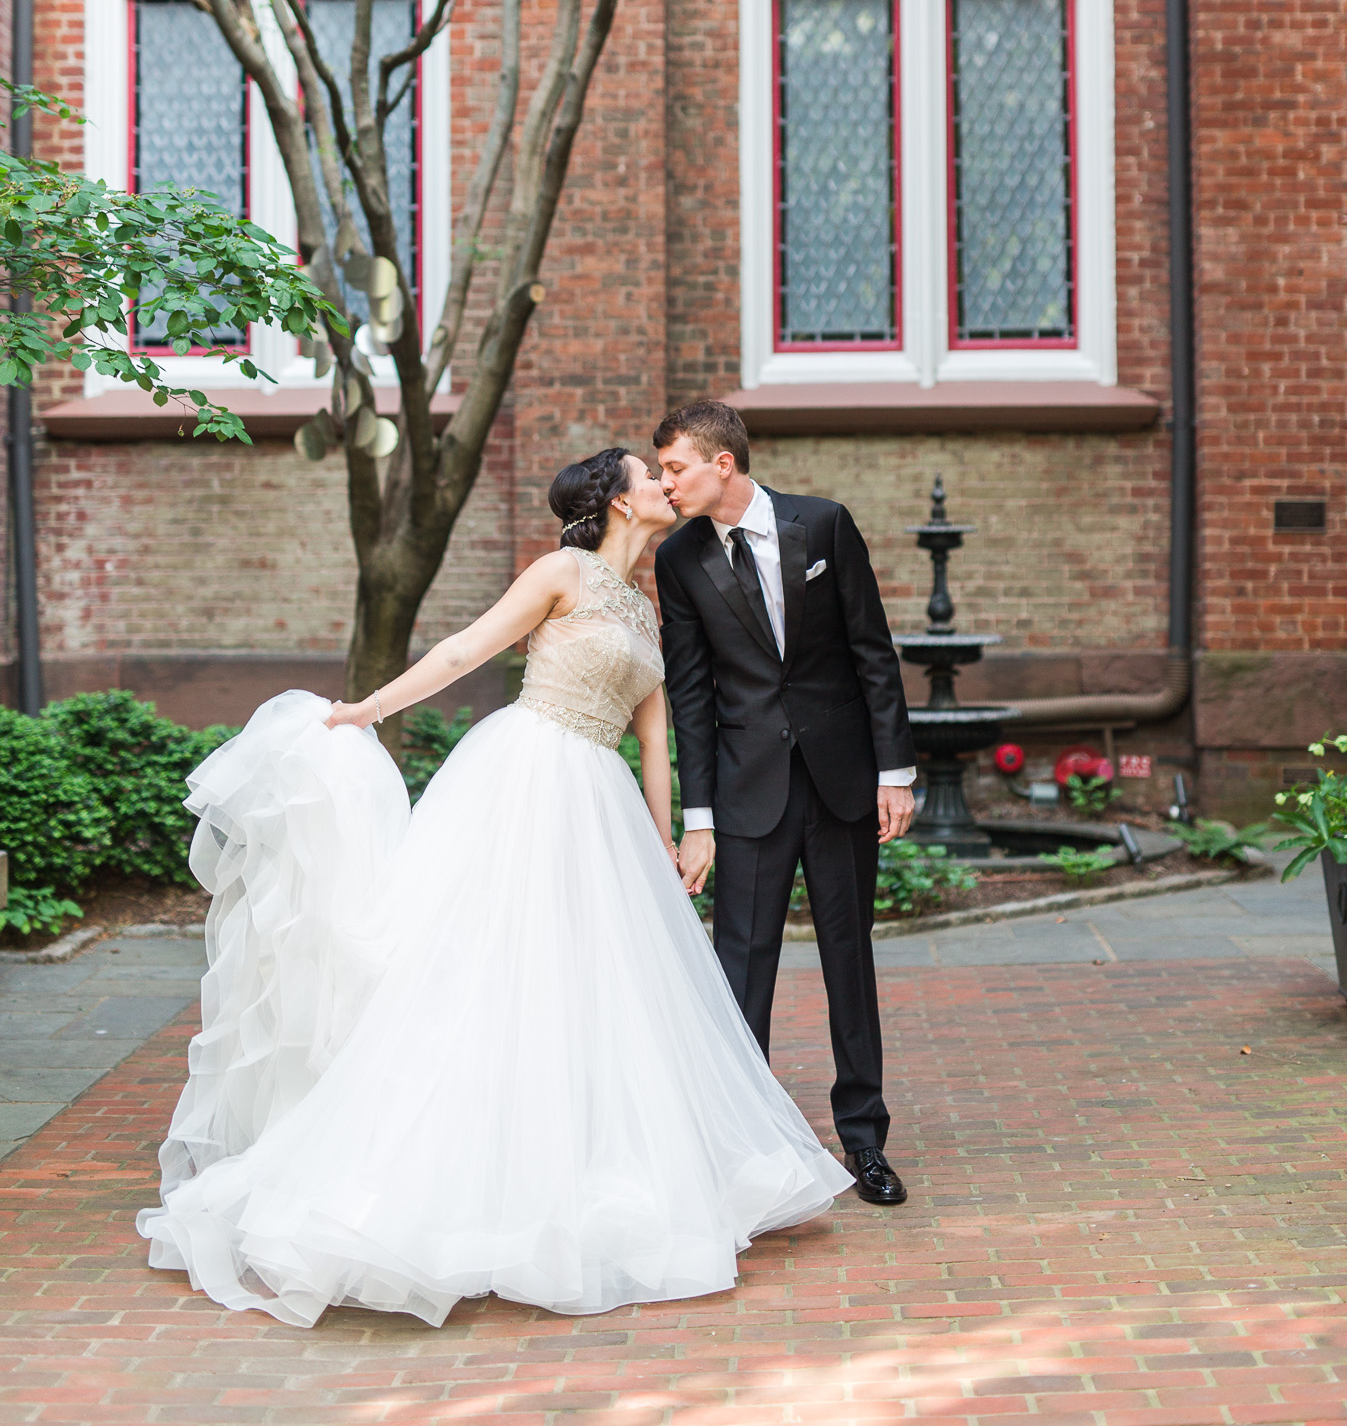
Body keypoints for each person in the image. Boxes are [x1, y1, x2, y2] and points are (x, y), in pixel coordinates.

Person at [136, 448, 851, 1328]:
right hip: (525, 776)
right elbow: (466, 647)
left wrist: (672, 837)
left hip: (601, 799)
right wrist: (371, 708)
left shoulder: (644, 600)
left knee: (592, 987)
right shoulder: (561, 571)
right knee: (486, 970)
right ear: (616, 502)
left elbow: (655, 732)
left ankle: (573, 1166)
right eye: (647, 474)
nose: (666, 484)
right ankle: (438, 1181)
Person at [652, 399, 916, 1207]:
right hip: (744, 791)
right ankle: (744, 1149)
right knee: (742, 969)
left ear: (721, 463)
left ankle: (864, 1141)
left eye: (674, 468)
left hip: (840, 784)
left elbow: (872, 653)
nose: (665, 484)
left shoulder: (824, 526)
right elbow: (690, 696)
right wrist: (697, 819)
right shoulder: (679, 559)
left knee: (849, 959)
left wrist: (893, 772)